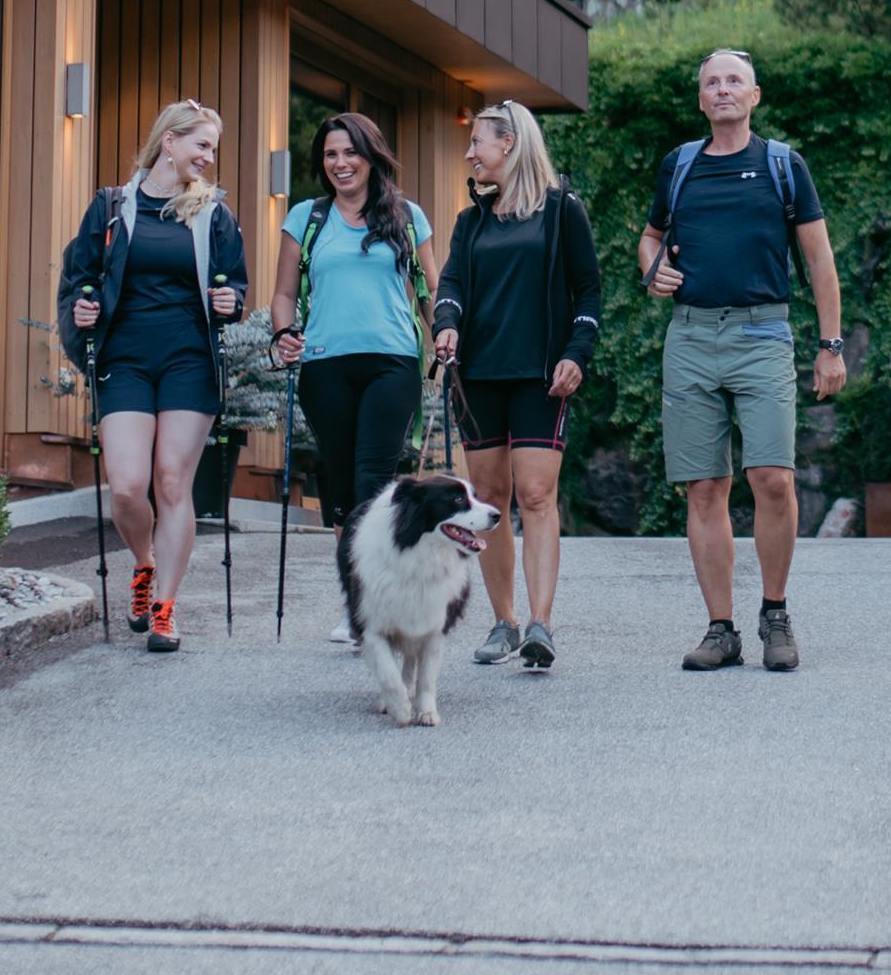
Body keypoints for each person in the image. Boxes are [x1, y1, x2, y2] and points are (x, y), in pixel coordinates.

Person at [636, 47, 844, 674]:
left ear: (754, 96)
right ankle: (720, 629)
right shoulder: (679, 165)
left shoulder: (783, 165)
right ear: (701, 100)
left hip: (763, 334)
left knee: (773, 478)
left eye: (734, 81)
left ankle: (774, 613)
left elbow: (819, 260)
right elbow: (650, 236)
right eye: (712, 82)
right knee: (704, 486)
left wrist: (830, 345)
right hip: (691, 336)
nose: (722, 89)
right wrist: (652, 269)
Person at [59, 98, 250, 651]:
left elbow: (235, 284)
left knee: (171, 481)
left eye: (212, 148)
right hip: (125, 359)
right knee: (125, 487)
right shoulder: (112, 206)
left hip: (189, 360)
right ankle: (144, 563)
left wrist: (230, 301)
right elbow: (79, 276)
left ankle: (165, 605)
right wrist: (83, 308)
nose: (208, 157)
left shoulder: (213, 213)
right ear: (170, 141)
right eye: (201, 145)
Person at [427, 100, 597, 671]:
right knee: (489, 498)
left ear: (510, 143)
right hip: (477, 376)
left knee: (537, 495)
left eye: (477, 142)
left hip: (541, 378)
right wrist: (446, 325)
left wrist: (577, 353)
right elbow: (450, 286)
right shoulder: (470, 221)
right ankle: (504, 622)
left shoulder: (562, 210)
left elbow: (588, 291)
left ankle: (540, 624)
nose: (469, 154)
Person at [270, 111, 439, 647]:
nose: (340, 163)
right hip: (324, 367)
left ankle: (376, 604)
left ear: (371, 156)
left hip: (392, 362)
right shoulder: (307, 218)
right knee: (342, 488)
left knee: (372, 482)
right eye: (330, 155)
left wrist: (447, 335)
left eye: (350, 153)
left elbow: (432, 290)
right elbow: (283, 295)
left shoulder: (406, 216)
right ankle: (357, 601)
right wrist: (283, 333)